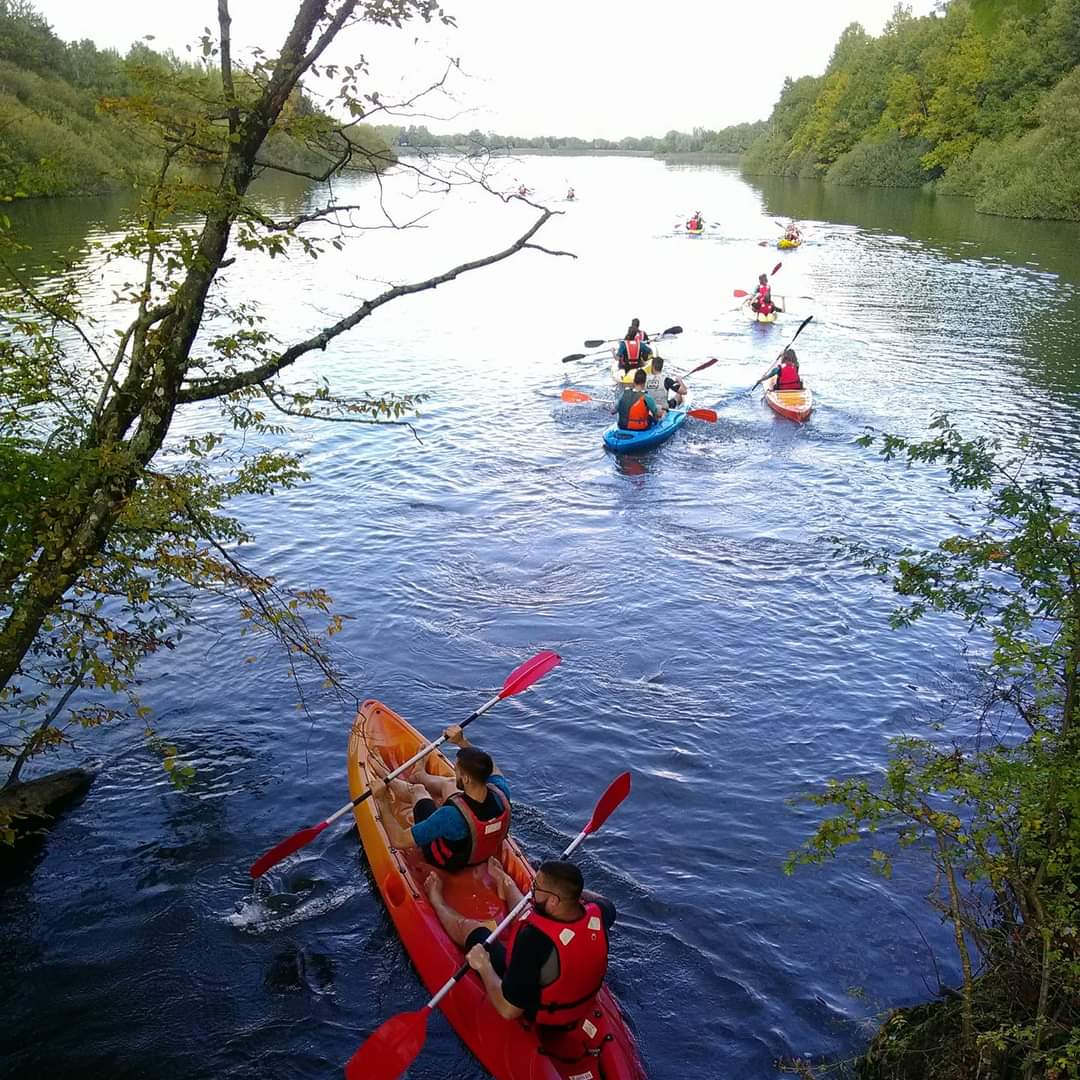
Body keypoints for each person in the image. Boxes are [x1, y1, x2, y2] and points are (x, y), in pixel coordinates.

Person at [425, 858, 617, 1063]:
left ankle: (436, 899)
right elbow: (601, 901)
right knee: (530, 911)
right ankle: (505, 882)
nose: (532, 890)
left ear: (554, 900)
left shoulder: (532, 941)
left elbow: (508, 1010)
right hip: (576, 1000)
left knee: (474, 930)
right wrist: (572, 895)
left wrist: (484, 965)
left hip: (541, 1013)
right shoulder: (601, 911)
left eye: (536, 886)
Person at [369, 725, 511, 871]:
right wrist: (461, 742)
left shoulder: (449, 816)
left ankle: (385, 775)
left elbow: (399, 840)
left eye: (457, 771)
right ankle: (419, 775)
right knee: (450, 783)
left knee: (418, 790)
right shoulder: (501, 791)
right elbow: (492, 766)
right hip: (481, 851)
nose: (455, 773)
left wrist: (382, 800)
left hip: (447, 860)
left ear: (466, 779)